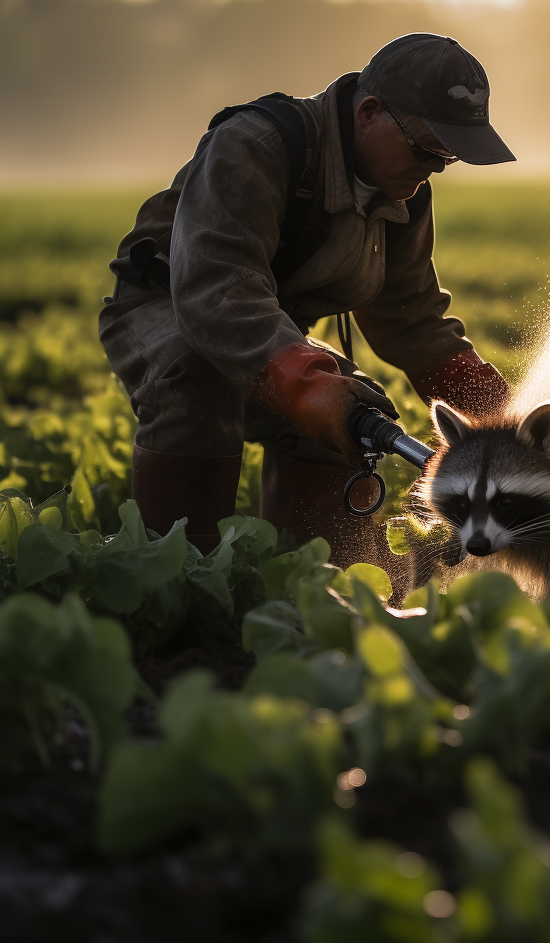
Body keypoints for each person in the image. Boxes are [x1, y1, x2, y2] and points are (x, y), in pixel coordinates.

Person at [98, 32, 513, 570]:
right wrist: (306, 383)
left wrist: (500, 415)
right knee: (196, 381)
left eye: (449, 158)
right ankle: (178, 579)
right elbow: (217, 289)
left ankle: (317, 577)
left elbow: (409, 316)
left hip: (272, 329)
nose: (434, 169)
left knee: (354, 410)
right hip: (169, 306)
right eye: (426, 149)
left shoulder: (405, 194)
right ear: (369, 112)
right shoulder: (257, 144)